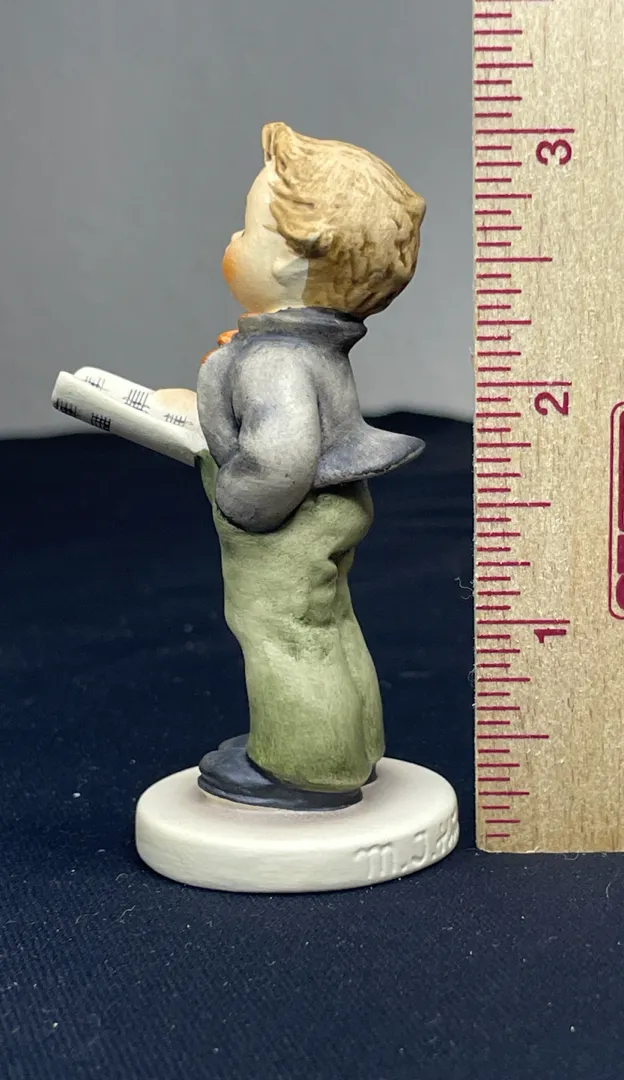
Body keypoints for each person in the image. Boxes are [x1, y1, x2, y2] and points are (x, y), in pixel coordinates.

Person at [194, 122, 427, 809]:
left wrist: (238, 504)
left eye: (247, 232)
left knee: (282, 630)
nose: (232, 241)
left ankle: (303, 765)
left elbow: (281, 457)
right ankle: (355, 745)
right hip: (334, 501)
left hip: (286, 519)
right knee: (328, 621)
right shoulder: (315, 349)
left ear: (292, 264)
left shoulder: (273, 359)